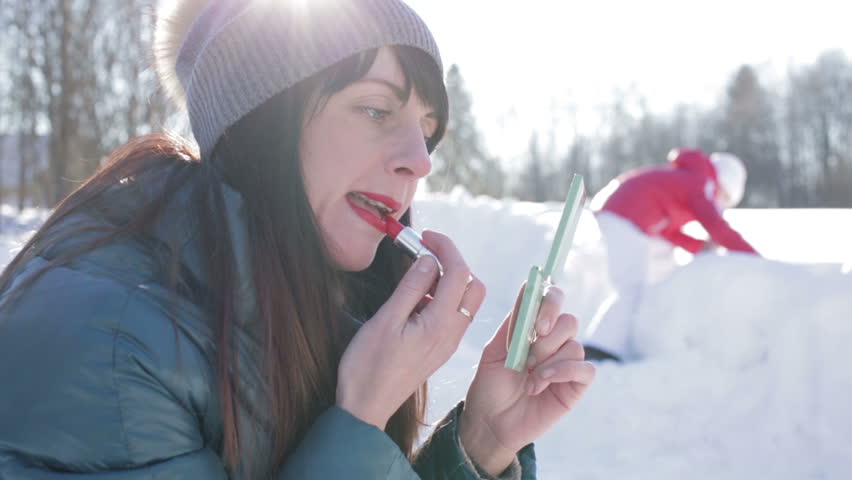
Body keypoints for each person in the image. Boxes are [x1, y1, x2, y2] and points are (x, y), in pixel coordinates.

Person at [0, 1, 595, 479]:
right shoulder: (109, 342)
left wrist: (478, 446)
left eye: (427, 130)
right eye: (375, 110)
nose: (420, 161)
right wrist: (360, 415)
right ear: (266, 124)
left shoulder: (318, 297)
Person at [583, 148, 761, 362]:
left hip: (625, 217)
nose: (720, 204)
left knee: (664, 270)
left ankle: (649, 336)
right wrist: (754, 259)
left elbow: (666, 229)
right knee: (632, 286)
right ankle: (600, 347)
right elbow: (717, 227)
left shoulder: (688, 180)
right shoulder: (702, 184)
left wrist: (698, 246)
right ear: (723, 184)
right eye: (725, 198)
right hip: (624, 219)